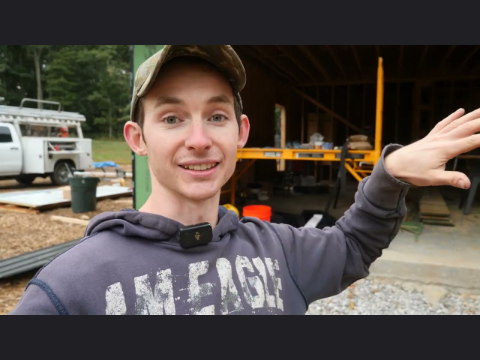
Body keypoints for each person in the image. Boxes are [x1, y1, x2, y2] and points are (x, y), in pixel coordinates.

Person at [10, 45, 480, 315]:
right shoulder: (70, 290)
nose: (198, 139)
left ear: (242, 132)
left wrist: (388, 173)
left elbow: (353, 246)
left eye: (216, 115)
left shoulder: (279, 250)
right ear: (137, 138)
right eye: (172, 118)